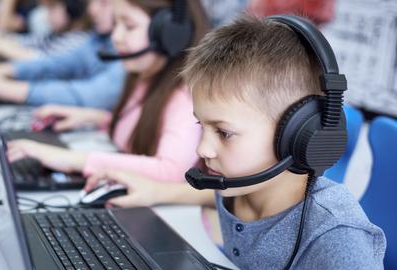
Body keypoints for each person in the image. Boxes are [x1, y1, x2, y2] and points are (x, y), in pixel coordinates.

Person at [85, 14, 387, 269]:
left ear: (297, 136)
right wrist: (155, 192)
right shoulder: (240, 187)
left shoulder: (337, 239)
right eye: (200, 125)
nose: (202, 149)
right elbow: (211, 197)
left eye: (224, 133)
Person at [6, 0, 210, 182]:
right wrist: (97, 119)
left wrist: (72, 160)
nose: (116, 37)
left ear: (171, 34)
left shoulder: (184, 97)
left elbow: (172, 171)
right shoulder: (144, 77)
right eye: (116, 24)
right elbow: (145, 133)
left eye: (129, 26)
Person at [0, 0, 125, 108]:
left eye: (104, 2)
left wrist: (6, 87)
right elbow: (57, 64)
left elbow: (91, 94)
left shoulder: (88, 38)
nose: (92, 9)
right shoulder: (98, 38)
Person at [0, 0, 91, 61]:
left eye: (52, 8)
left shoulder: (78, 40)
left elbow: (44, 61)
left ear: (73, 9)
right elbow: (25, 41)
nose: (47, 16)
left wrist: (0, 46)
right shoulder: (57, 35)